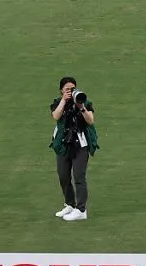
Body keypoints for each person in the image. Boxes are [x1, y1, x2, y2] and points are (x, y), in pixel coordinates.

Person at [50, 76, 99, 222]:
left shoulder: (84, 101)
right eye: (67, 89)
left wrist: (81, 107)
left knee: (79, 176)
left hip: (80, 144)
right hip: (64, 143)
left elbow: (91, 120)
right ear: (61, 91)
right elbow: (56, 116)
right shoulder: (58, 102)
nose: (70, 92)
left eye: (72, 89)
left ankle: (81, 209)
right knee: (63, 175)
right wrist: (64, 101)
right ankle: (70, 204)